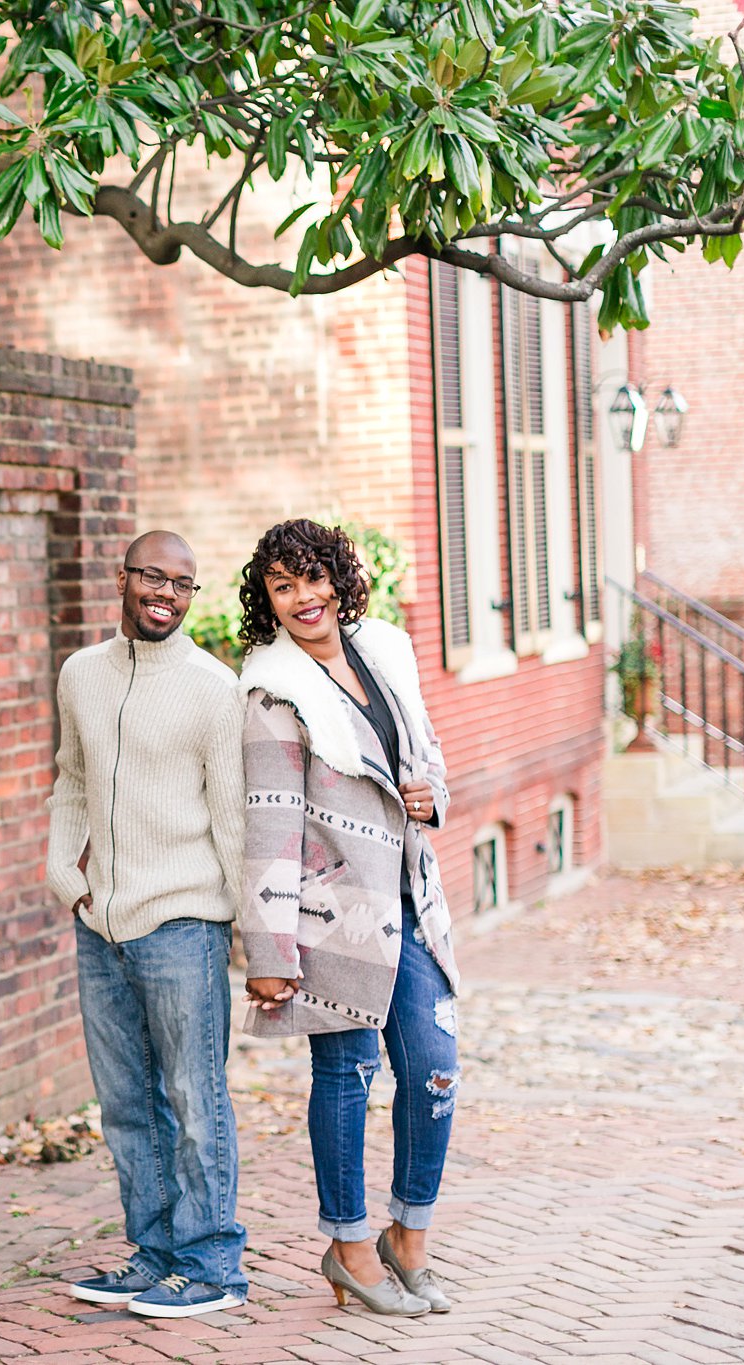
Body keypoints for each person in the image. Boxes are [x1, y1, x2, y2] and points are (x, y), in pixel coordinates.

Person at [234, 518, 460, 1318]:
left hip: (407, 903)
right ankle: (351, 1244)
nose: (304, 598)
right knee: (347, 1074)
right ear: (268, 600)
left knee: (434, 1067)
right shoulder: (272, 689)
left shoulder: (385, 653)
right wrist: (268, 947)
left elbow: (423, 756)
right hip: (328, 916)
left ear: (338, 577)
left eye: (314, 578)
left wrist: (433, 793)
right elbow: (267, 820)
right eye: (283, 586)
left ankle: (410, 1235)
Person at [47, 530, 251, 1319]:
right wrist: (66, 875)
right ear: (124, 578)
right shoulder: (81, 674)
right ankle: (156, 1254)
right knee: (127, 1101)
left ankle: (213, 1265)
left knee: (196, 1100)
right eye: (153, 576)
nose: (166, 592)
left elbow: (233, 819)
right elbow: (70, 778)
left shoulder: (212, 687)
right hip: (100, 924)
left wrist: (250, 936)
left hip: (185, 923)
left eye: (183, 583)